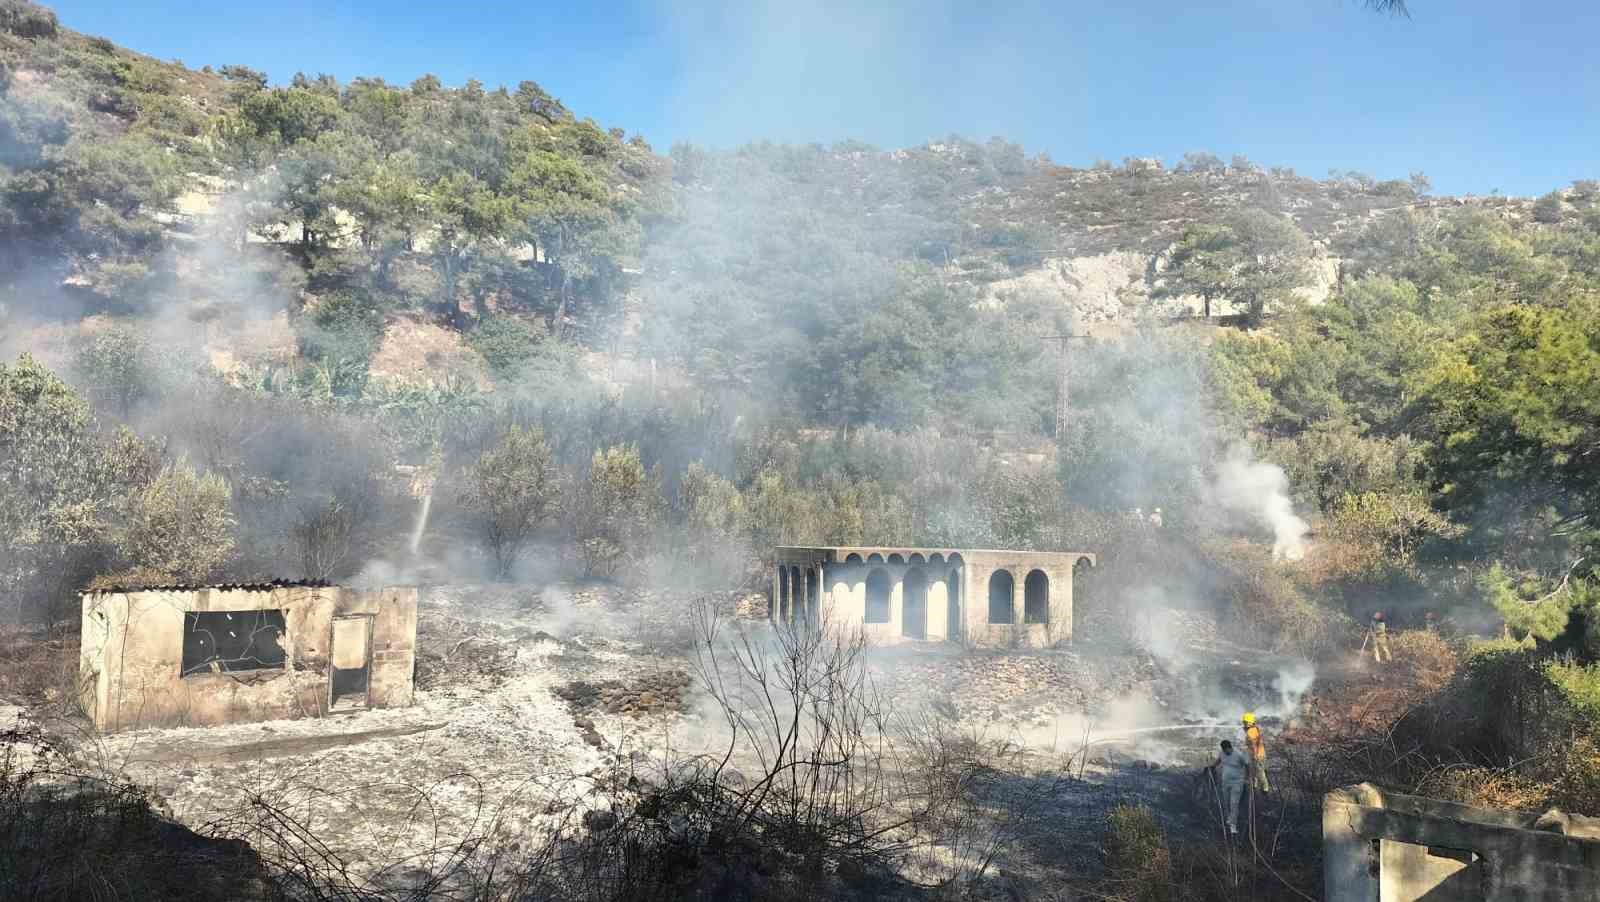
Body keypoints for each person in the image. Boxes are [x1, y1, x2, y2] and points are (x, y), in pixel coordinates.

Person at [1206, 739, 1250, 835]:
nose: (1226, 753)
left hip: (1237, 782)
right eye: (1224, 751)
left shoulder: (1239, 755)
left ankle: (1233, 826)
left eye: (1227, 751)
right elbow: (1218, 761)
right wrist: (1211, 767)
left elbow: (1247, 765)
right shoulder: (1222, 753)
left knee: (1233, 803)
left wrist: (1248, 778)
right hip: (1225, 782)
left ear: (1230, 748)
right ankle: (1228, 820)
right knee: (1225, 803)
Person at [1242, 712, 1270, 794]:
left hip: (1258, 756)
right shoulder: (1254, 729)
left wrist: (1255, 755)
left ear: (1249, 722)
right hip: (1257, 754)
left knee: (1260, 771)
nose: (1243, 724)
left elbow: (1254, 744)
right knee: (1254, 771)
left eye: (1245, 722)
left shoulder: (1250, 732)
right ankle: (1255, 785)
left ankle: (1265, 788)